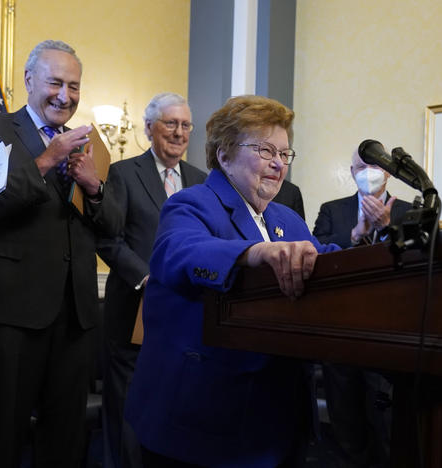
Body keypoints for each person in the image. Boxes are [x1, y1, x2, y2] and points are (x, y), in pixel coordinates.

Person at [124, 95, 340, 467]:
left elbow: (323, 258)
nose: (278, 163)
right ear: (224, 155)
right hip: (202, 424)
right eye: (265, 149)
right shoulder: (191, 203)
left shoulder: (286, 219)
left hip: (276, 421)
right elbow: (179, 252)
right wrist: (253, 253)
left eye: (285, 154)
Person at [0, 39, 122, 468]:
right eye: (55, 83)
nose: (65, 96)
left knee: (66, 440)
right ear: (30, 80)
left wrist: (93, 187)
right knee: (2, 437)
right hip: (9, 315)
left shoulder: (92, 144)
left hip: (75, 317)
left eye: (74, 86)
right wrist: (46, 161)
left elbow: (112, 228)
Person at [97, 92, 206, 468]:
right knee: (127, 409)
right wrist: (146, 280)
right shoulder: (123, 173)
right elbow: (108, 239)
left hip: (184, 316)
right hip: (133, 310)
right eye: (170, 123)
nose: (179, 133)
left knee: (174, 406)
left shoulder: (200, 181)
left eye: (185, 125)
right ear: (148, 128)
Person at [312, 148, 410, 467]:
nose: (369, 170)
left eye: (376, 165)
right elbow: (317, 261)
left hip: (388, 336)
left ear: (390, 173)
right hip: (339, 332)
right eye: (361, 166)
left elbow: (415, 268)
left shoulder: (410, 212)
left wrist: (386, 230)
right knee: (345, 424)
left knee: (386, 427)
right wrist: (357, 234)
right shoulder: (332, 211)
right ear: (352, 173)